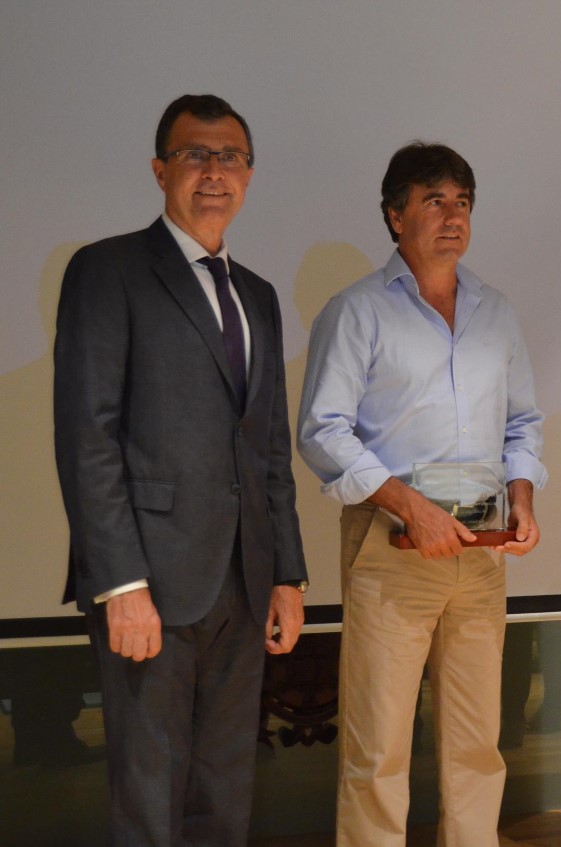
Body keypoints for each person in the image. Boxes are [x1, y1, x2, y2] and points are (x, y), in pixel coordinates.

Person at [52, 93, 308, 846]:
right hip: (150, 586)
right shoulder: (108, 271)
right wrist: (120, 583)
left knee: (224, 793)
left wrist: (287, 572)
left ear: (250, 174)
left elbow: (267, 449)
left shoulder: (257, 295)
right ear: (160, 168)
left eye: (229, 156)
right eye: (195, 154)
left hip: (242, 581)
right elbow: (86, 437)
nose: (213, 171)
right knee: (150, 797)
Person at [297, 142, 545, 847]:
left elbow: (522, 422)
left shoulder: (495, 312)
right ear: (393, 214)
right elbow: (321, 429)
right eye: (433, 200)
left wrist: (523, 496)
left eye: (462, 201)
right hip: (394, 547)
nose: (452, 215)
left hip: (482, 553)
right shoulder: (356, 311)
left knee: (477, 746)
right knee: (379, 752)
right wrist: (411, 506)